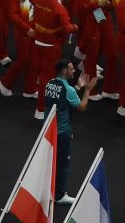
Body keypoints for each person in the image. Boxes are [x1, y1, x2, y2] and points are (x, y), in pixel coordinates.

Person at [42, 60, 90, 205]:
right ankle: (59, 195)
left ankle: (46, 188)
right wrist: (87, 90)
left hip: (48, 129)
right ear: (64, 71)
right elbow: (81, 107)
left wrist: (77, 86)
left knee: (49, 161)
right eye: (71, 69)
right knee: (62, 164)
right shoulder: (68, 89)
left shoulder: (50, 83)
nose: (74, 71)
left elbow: (64, 96)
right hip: (61, 132)